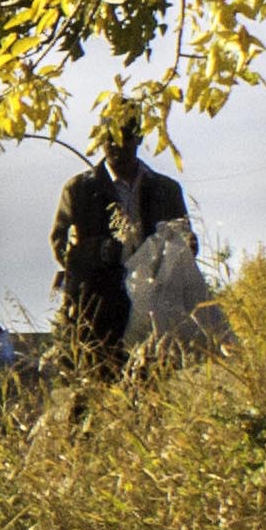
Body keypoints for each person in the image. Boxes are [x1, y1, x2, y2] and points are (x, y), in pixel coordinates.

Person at [50, 108, 192, 381]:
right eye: (109, 137)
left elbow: (186, 244)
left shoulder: (166, 189)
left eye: (125, 137)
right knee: (95, 391)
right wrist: (98, 251)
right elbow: (60, 244)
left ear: (139, 139)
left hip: (153, 308)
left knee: (150, 391)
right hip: (97, 308)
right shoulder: (78, 189)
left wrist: (184, 244)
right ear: (100, 140)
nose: (116, 145)